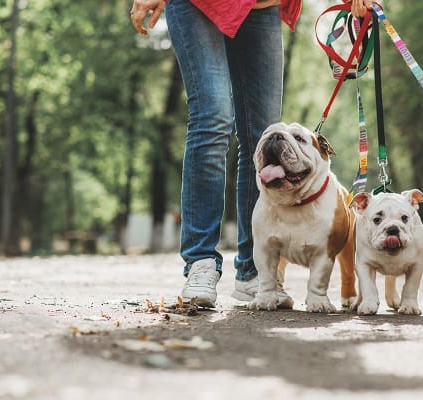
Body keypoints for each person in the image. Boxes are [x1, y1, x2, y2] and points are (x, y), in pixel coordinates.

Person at [130, 0, 373, 307]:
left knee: (263, 136)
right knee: (213, 117)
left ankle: (253, 271)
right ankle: (201, 261)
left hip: (261, 6)